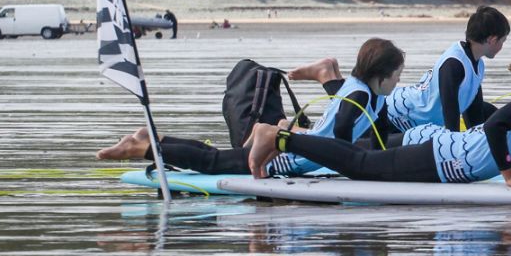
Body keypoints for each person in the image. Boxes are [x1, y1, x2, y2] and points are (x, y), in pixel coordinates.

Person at [246, 58, 511, 194]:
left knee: (361, 158)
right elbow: (496, 125)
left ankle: (287, 136)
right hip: (446, 159)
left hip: (454, 164)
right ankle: (279, 138)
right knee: (357, 166)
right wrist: (509, 174)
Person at [96, 43, 405, 173]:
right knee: (216, 162)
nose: (399, 80)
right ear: (383, 74)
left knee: (220, 155)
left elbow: (376, 136)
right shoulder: (361, 96)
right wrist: (349, 169)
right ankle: (143, 149)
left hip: (302, 152)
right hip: (292, 156)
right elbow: (338, 138)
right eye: (398, 75)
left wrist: (379, 163)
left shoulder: (367, 92)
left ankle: (153, 140)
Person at [385, 6, 508, 133]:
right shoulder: (454, 64)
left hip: (421, 122)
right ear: (492, 40)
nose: (502, 46)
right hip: (398, 114)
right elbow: (450, 112)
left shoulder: (478, 64)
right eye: (502, 41)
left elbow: (473, 113)